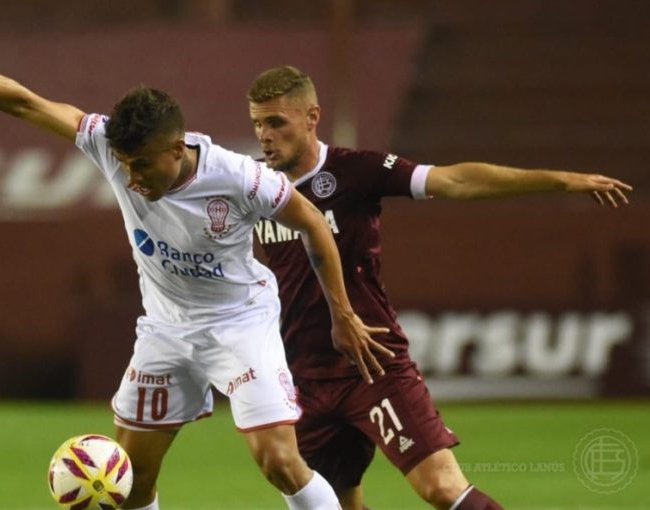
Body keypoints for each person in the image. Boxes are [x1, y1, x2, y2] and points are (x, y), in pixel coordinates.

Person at [0, 35, 397, 510]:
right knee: (130, 480)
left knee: (281, 463)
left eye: (141, 165)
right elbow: (27, 103)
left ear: (177, 150)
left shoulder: (240, 178)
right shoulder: (107, 144)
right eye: (123, 164)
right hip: (165, 330)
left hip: (239, 325)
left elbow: (313, 223)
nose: (131, 178)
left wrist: (343, 313)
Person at [246, 65, 632, 510]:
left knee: (443, 489)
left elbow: (456, 180)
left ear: (311, 117)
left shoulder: (356, 172)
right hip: (303, 377)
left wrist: (560, 180)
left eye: (276, 122)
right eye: (257, 123)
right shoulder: (252, 187)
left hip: (372, 366)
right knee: (333, 505)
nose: (264, 135)